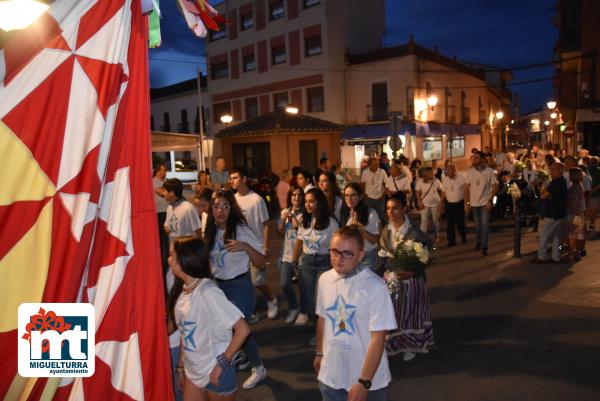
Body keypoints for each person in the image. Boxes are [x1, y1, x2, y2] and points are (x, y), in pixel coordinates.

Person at [314, 225, 397, 401]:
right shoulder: (324, 280)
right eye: (334, 251)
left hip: (367, 381)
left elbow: (378, 337)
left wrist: (364, 382)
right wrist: (319, 353)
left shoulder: (375, 287)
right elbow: (322, 319)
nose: (338, 258)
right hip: (331, 377)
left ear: (360, 255)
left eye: (347, 253)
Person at [169, 237, 251, 401]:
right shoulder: (184, 290)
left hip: (215, 372)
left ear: (183, 261)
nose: (169, 259)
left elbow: (243, 329)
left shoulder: (208, 292)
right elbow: (187, 332)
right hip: (193, 371)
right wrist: (180, 367)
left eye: (172, 255)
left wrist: (221, 365)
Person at [203, 190, 268, 389]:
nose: (220, 211)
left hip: (240, 287)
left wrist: (245, 247)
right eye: (216, 206)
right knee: (228, 330)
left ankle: (259, 367)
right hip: (219, 288)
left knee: (240, 330)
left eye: (225, 206)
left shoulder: (241, 230)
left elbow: (262, 264)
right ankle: (246, 357)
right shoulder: (211, 231)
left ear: (232, 209)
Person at [378, 193, 433, 361]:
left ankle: (412, 345)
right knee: (393, 314)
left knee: (410, 314)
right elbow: (383, 256)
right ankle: (394, 344)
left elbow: (425, 257)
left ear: (404, 209)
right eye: (388, 208)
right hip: (392, 280)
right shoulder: (386, 231)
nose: (391, 212)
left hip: (411, 281)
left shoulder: (414, 232)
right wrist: (384, 274)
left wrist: (413, 272)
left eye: (395, 208)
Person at [230, 167, 278, 321]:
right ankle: (251, 310)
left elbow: (265, 224)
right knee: (244, 281)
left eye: (235, 177)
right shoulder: (232, 200)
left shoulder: (257, 199)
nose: (232, 181)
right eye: (231, 178)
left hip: (255, 246)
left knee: (257, 281)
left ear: (244, 179)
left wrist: (265, 246)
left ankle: (271, 298)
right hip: (238, 247)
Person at [292, 188, 339, 332]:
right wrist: (294, 262)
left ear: (320, 202)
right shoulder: (303, 220)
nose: (307, 204)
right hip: (307, 263)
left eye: (311, 201)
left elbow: (336, 246)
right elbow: (299, 242)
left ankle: (328, 332)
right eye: (306, 202)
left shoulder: (331, 222)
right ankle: (317, 332)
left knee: (322, 300)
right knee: (312, 301)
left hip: (325, 263)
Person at [277, 186, 309, 325]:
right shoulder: (285, 211)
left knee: (303, 286)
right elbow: (279, 232)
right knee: (284, 283)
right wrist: (283, 219)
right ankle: (293, 307)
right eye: (293, 195)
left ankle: (304, 312)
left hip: (301, 255)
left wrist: (295, 220)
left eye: (299, 195)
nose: (296, 197)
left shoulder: (306, 213)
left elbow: (301, 231)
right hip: (287, 254)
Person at [531, 163, 568, 264]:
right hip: (560, 212)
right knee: (556, 236)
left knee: (544, 235)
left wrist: (543, 189)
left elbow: (543, 196)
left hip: (553, 213)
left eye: (554, 169)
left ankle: (541, 257)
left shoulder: (557, 182)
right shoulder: (561, 181)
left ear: (559, 171)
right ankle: (555, 257)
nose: (551, 172)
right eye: (551, 169)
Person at [340, 183, 381, 272]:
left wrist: (362, 231)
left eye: (353, 195)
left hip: (367, 256)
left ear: (360, 196)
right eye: (346, 195)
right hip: (351, 256)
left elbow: (374, 240)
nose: (349, 199)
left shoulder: (370, 213)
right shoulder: (348, 212)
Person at [464, 151, 498, 256]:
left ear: (482, 159)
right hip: (474, 203)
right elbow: (466, 188)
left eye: (476, 158)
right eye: (473, 158)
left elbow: (495, 186)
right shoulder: (470, 172)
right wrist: (467, 203)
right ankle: (478, 242)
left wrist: (490, 201)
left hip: (485, 202)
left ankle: (484, 246)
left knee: (485, 224)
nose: (474, 160)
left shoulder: (489, 171)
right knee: (478, 225)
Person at [440, 164, 467, 247]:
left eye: (449, 171)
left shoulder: (461, 178)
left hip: (459, 203)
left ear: (454, 171)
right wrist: (441, 204)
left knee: (460, 223)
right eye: (447, 171)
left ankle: (463, 236)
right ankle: (451, 241)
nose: (447, 172)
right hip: (449, 204)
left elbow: (466, 191)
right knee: (449, 224)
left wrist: (467, 203)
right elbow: (443, 192)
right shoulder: (445, 180)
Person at [416, 167, 443, 242]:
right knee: (424, 221)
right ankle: (422, 237)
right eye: (431, 172)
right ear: (426, 174)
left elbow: (442, 189)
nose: (433, 174)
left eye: (432, 172)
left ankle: (437, 235)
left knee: (435, 221)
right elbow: (417, 192)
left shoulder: (436, 181)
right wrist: (419, 201)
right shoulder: (420, 181)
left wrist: (441, 202)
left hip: (435, 203)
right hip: (425, 204)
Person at [565, 167, 586, 261]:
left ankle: (571, 253)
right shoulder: (580, 186)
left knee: (572, 235)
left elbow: (574, 202)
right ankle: (576, 253)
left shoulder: (573, 188)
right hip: (579, 213)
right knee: (578, 235)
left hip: (573, 213)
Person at [153, 163, 170, 274]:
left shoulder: (166, 182)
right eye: (162, 170)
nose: (164, 173)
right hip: (160, 214)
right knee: (163, 240)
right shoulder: (153, 181)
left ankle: (167, 262)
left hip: (168, 212)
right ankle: (163, 265)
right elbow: (164, 193)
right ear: (157, 171)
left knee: (168, 239)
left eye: (165, 170)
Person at [361, 157, 388, 222]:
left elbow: (387, 183)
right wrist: (364, 194)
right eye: (375, 164)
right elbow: (362, 183)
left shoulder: (382, 172)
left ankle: (385, 229)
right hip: (369, 198)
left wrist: (383, 194)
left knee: (382, 215)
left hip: (380, 198)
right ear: (370, 165)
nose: (377, 166)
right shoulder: (365, 172)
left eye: (377, 164)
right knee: (369, 215)